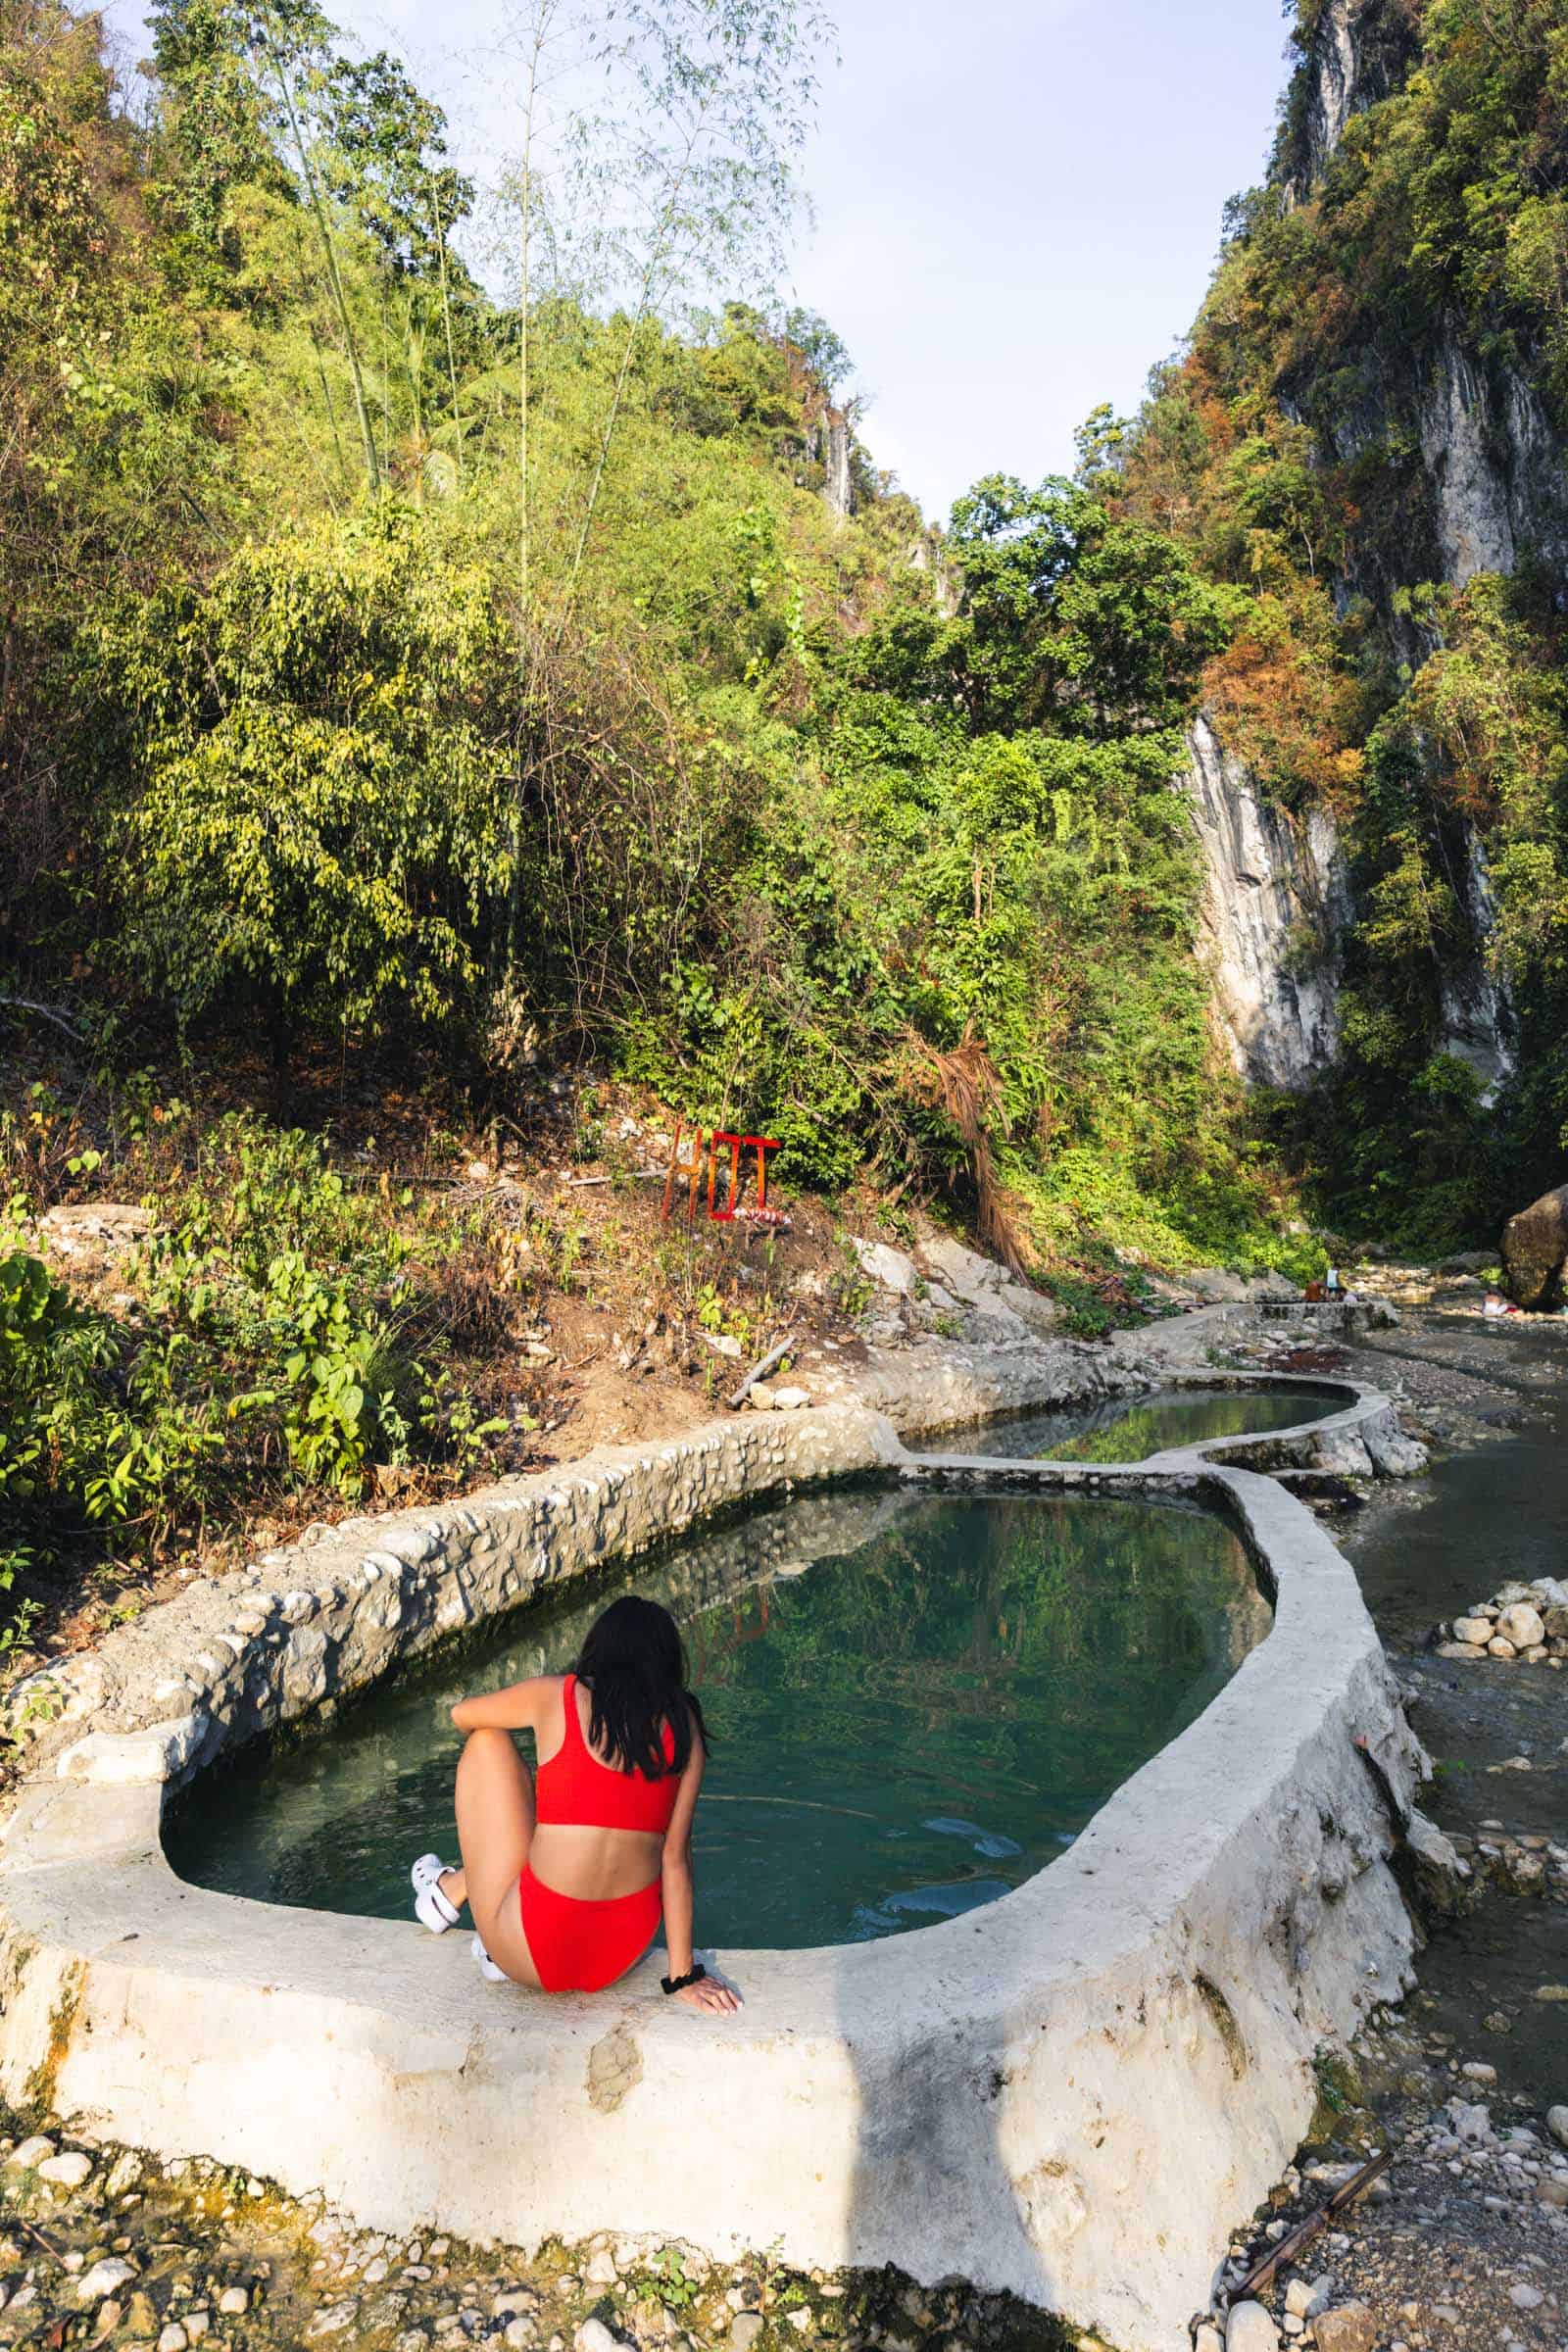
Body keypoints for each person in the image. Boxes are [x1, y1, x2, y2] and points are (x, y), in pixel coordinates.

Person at [409, 1594, 738, 2013]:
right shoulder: (685, 1725)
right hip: (617, 1959)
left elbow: (462, 1715)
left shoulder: (558, 1694)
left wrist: (543, 1731)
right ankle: (448, 1892)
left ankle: (462, 1906)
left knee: (487, 1742)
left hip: (535, 1953)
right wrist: (682, 1976)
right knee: (573, 1816)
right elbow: (675, 1859)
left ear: (598, 1648)